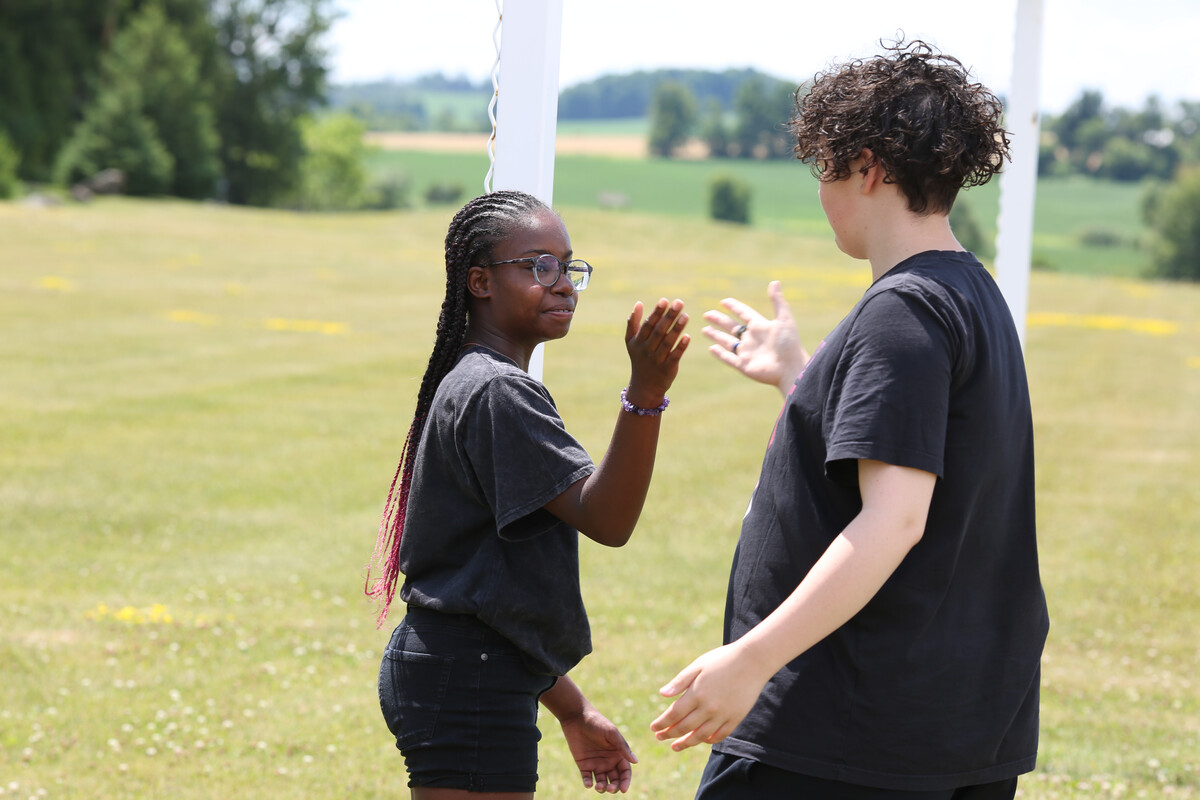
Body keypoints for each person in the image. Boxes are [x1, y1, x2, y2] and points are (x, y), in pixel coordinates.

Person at [650, 39, 1049, 799]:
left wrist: (752, 660)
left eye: (825, 171)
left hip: (843, 736)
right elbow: (916, 457)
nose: (822, 194)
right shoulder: (972, 296)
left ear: (866, 168)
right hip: (941, 727)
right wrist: (799, 381)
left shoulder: (902, 312)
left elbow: (894, 519)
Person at [366, 189, 690, 798]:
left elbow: (490, 592)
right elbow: (607, 518)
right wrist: (645, 395)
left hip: (465, 669)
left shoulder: (482, 378)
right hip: (467, 680)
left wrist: (570, 707)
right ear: (481, 282)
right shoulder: (496, 391)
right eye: (538, 266)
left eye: (568, 267)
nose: (563, 284)